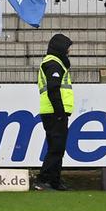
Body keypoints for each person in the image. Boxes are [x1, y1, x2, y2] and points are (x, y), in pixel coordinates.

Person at [35, 33, 74, 191]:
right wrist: (59, 111)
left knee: (57, 147)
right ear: (61, 47)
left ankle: (55, 181)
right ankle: (43, 180)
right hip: (54, 111)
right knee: (56, 148)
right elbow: (53, 88)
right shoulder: (53, 63)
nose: (69, 51)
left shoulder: (55, 62)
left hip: (53, 111)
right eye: (68, 47)